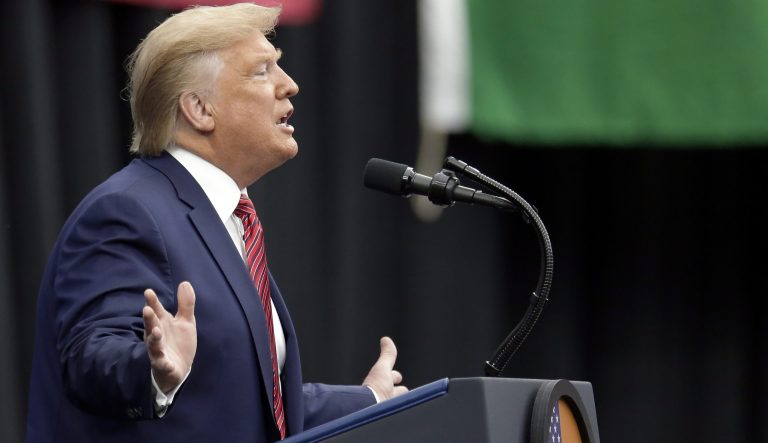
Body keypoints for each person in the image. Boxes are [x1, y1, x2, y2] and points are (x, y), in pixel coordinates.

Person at [25, 4, 407, 442]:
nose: (290, 85)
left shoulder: (227, 220)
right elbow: (90, 357)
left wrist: (369, 399)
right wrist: (152, 371)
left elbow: (245, 402)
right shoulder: (127, 211)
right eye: (263, 71)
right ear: (200, 109)